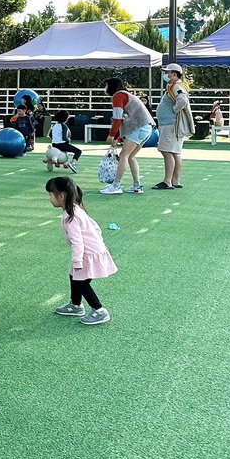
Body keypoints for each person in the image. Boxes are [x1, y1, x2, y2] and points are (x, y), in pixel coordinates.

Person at [46, 177, 116, 325]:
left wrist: (77, 260)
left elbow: (78, 242)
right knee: (74, 277)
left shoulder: (70, 216)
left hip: (86, 254)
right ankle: (76, 305)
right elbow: (94, 225)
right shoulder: (75, 209)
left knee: (81, 282)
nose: (49, 198)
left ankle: (99, 310)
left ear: (61, 196)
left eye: (50, 194)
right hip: (91, 251)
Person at [100, 77, 154, 194]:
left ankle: (116, 185)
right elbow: (122, 118)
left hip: (139, 128)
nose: (105, 88)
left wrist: (112, 135)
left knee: (123, 155)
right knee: (130, 156)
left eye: (106, 85)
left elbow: (117, 117)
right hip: (146, 128)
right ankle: (136, 185)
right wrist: (117, 137)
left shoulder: (118, 96)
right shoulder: (126, 95)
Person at [153, 63, 194, 190]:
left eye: (168, 72)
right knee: (175, 152)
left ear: (174, 74)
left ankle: (167, 181)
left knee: (167, 151)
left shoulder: (176, 87)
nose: (166, 75)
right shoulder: (175, 86)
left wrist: (174, 110)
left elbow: (182, 100)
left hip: (171, 124)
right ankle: (174, 180)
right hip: (172, 124)